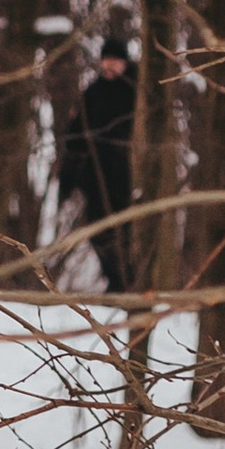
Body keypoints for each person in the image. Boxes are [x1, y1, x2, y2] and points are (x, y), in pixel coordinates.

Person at [61, 35, 137, 296]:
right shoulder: (93, 93)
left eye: (116, 61)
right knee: (98, 230)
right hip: (96, 176)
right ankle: (115, 280)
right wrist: (68, 180)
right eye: (106, 60)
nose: (110, 66)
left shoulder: (136, 90)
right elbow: (75, 138)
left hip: (128, 176)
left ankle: (129, 280)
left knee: (128, 231)